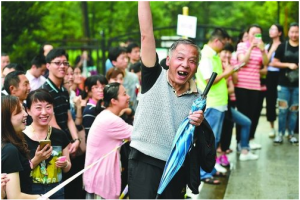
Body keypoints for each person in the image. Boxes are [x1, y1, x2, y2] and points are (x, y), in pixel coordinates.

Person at [128, 2, 209, 199]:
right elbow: (146, 34)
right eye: (180, 58)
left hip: (176, 167)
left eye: (192, 61)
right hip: (144, 162)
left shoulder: (198, 98)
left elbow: (192, 139)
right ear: (168, 60)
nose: (185, 64)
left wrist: (198, 124)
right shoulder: (153, 76)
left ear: (196, 68)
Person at [40, 48, 82, 199]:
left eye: (65, 63)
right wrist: (69, 143)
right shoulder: (45, 92)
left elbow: (69, 118)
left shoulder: (64, 90)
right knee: (60, 190)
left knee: (74, 187)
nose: (62, 66)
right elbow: (53, 124)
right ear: (48, 65)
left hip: (68, 144)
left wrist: (76, 140)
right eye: (57, 63)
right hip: (55, 146)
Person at [195, 28, 233, 184]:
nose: (224, 46)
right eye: (223, 43)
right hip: (212, 103)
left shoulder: (213, 55)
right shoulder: (206, 56)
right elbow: (209, 79)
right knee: (209, 140)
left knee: (214, 139)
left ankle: (210, 169)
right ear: (217, 40)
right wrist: (228, 72)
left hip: (219, 103)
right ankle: (204, 173)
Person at [83, 82, 132, 199]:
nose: (128, 97)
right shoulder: (111, 120)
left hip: (98, 181)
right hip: (101, 184)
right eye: (124, 94)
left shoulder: (106, 116)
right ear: (113, 101)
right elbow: (140, 135)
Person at [23, 89, 71, 199]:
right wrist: (36, 160)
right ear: (28, 110)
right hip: (31, 192)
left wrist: (65, 164)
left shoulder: (60, 135)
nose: (44, 112)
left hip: (57, 190)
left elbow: (68, 167)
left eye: (48, 107)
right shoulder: (21, 137)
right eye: (38, 108)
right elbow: (19, 171)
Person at [219, 43, 259, 161]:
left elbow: (233, 86)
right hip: (219, 104)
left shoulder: (229, 66)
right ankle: (219, 159)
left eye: (229, 53)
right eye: (225, 52)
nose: (227, 55)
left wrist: (230, 70)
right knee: (220, 133)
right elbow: (220, 86)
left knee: (246, 122)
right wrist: (227, 72)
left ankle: (244, 151)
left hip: (229, 104)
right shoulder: (216, 66)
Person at [235, 24, 269, 149]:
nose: (255, 36)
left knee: (252, 115)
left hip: (255, 86)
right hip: (242, 86)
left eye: (258, 33)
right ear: (248, 34)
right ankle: (239, 141)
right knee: (242, 115)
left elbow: (265, 64)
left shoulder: (261, 48)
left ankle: (247, 142)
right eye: (253, 33)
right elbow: (242, 62)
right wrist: (251, 48)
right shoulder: (241, 46)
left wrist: (263, 50)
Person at [1, 95, 41, 199]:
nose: (25, 114)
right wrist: (40, 197)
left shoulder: (13, 142)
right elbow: (15, 197)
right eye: (19, 112)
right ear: (5, 118)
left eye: (23, 109)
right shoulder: (10, 150)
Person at [270, 22, 299, 144]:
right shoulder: (283, 46)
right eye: (292, 32)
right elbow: (274, 63)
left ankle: (291, 134)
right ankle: (280, 134)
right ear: (288, 33)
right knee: (282, 110)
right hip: (283, 84)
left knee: (294, 110)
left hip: (297, 85)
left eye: (297, 32)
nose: (294, 34)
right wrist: (288, 64)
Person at [265, 24, 284, 138]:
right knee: (270, 101)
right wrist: (271, 50)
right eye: (270, 28)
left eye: (273, 29)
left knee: (282, 101)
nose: (271, 31)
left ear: (280, 32)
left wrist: (273, 63)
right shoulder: (268, 46)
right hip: (270, 76)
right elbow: (265, 62)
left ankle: (284, 128)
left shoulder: (284, 45)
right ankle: (272, 128)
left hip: (282, 75)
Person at [108, 46, 140, 110]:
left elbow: (135, 98)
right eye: (122, 58)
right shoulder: (109, 76)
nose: (126, 60)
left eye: (126, 57)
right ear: (114, 62)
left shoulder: (133, 77)